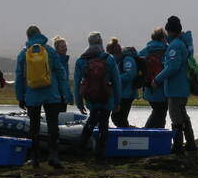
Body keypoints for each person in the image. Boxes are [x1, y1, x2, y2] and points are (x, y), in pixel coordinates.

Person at [14, 26, 70, 169]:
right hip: (52, 94)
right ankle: (53, 156)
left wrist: (20, 97)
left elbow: (19, 77)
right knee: (52, 125)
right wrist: (65, 93)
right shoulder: (50, 51)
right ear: (40, 34)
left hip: (32, 96)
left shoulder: (23, 54)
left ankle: (35, 158)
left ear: (28, 37)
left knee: (34, 127)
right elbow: (61, 72)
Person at [152, 16, 196, 154]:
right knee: (183, 116)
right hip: (181, 88)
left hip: (175, 89)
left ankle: (177, 146)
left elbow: (172, 67)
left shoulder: (175, 46)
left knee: (176, 117)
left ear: (170, 31)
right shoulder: (181, 44)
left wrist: (157, 79)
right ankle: (190, 143)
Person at [75, 32, 122, 158]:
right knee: (104, 122)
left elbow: (77, 84)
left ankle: (81, 146)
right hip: (107, 97)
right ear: (101, 42)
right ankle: (101, 151)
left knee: (92, 119)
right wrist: (117, 102)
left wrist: (79, 103)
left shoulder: (81, 60)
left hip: (91, 97)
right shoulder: (109, 59)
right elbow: (117, 82)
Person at [139, 27, 169, 128]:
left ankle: (148, 134)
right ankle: (155, 136)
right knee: (160, 114)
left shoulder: (146, 49)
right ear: (162, 38)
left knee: (156, 112)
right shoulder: (166, 50)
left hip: (148, 88)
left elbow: (137, 62)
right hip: (161, 89)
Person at [109, 38, 138, 128]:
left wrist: (115, 78)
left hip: (127, 94)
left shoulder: (128, 60)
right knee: (119, 118)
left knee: (118, 117)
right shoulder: (120, 60)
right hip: (122, 94)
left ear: (117, 53)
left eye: (112, 55)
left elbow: (130, 75)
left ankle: (128, 135)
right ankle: (127, 133)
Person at [53, 36, 74, 112]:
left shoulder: (64, 61)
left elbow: (66, 81)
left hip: (62, 97)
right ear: (57, 48)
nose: (65, 48)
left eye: (65, 46)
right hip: (57, 97)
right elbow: (61, 82)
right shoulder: (56, 61)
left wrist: (69, 96)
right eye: (62, 47)